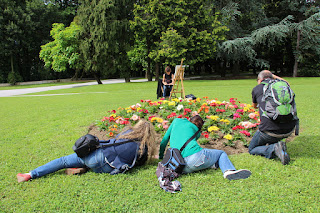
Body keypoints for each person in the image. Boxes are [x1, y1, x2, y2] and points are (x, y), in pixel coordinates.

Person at [17, 120, 157, 182]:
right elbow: (140, 162)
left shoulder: (125, 134)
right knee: (91, 163)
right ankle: (84, 167)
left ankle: (30, 174)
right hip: (108, 168)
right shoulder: (142, 149)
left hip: (96, 156)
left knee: (63, 161)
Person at [159, 115, 252, 180]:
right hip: (196, 159)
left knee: (205, 158)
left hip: (179, 166)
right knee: (221, 153)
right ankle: (229, 171)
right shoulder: (197, 132)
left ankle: (213, 164)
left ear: (189, 119)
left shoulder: (176, 121)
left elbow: (164, 141)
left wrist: (160, 156)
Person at [249, 70, 297, 165]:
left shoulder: (257, 89)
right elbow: (287, 82)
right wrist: (274, 76)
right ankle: (276, 146)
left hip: (270, 132)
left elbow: (254, 106)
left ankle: (274, 148)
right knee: (269, 137)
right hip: (290, 130)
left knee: (252, 149)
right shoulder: (283, 86)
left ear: (260, 80)